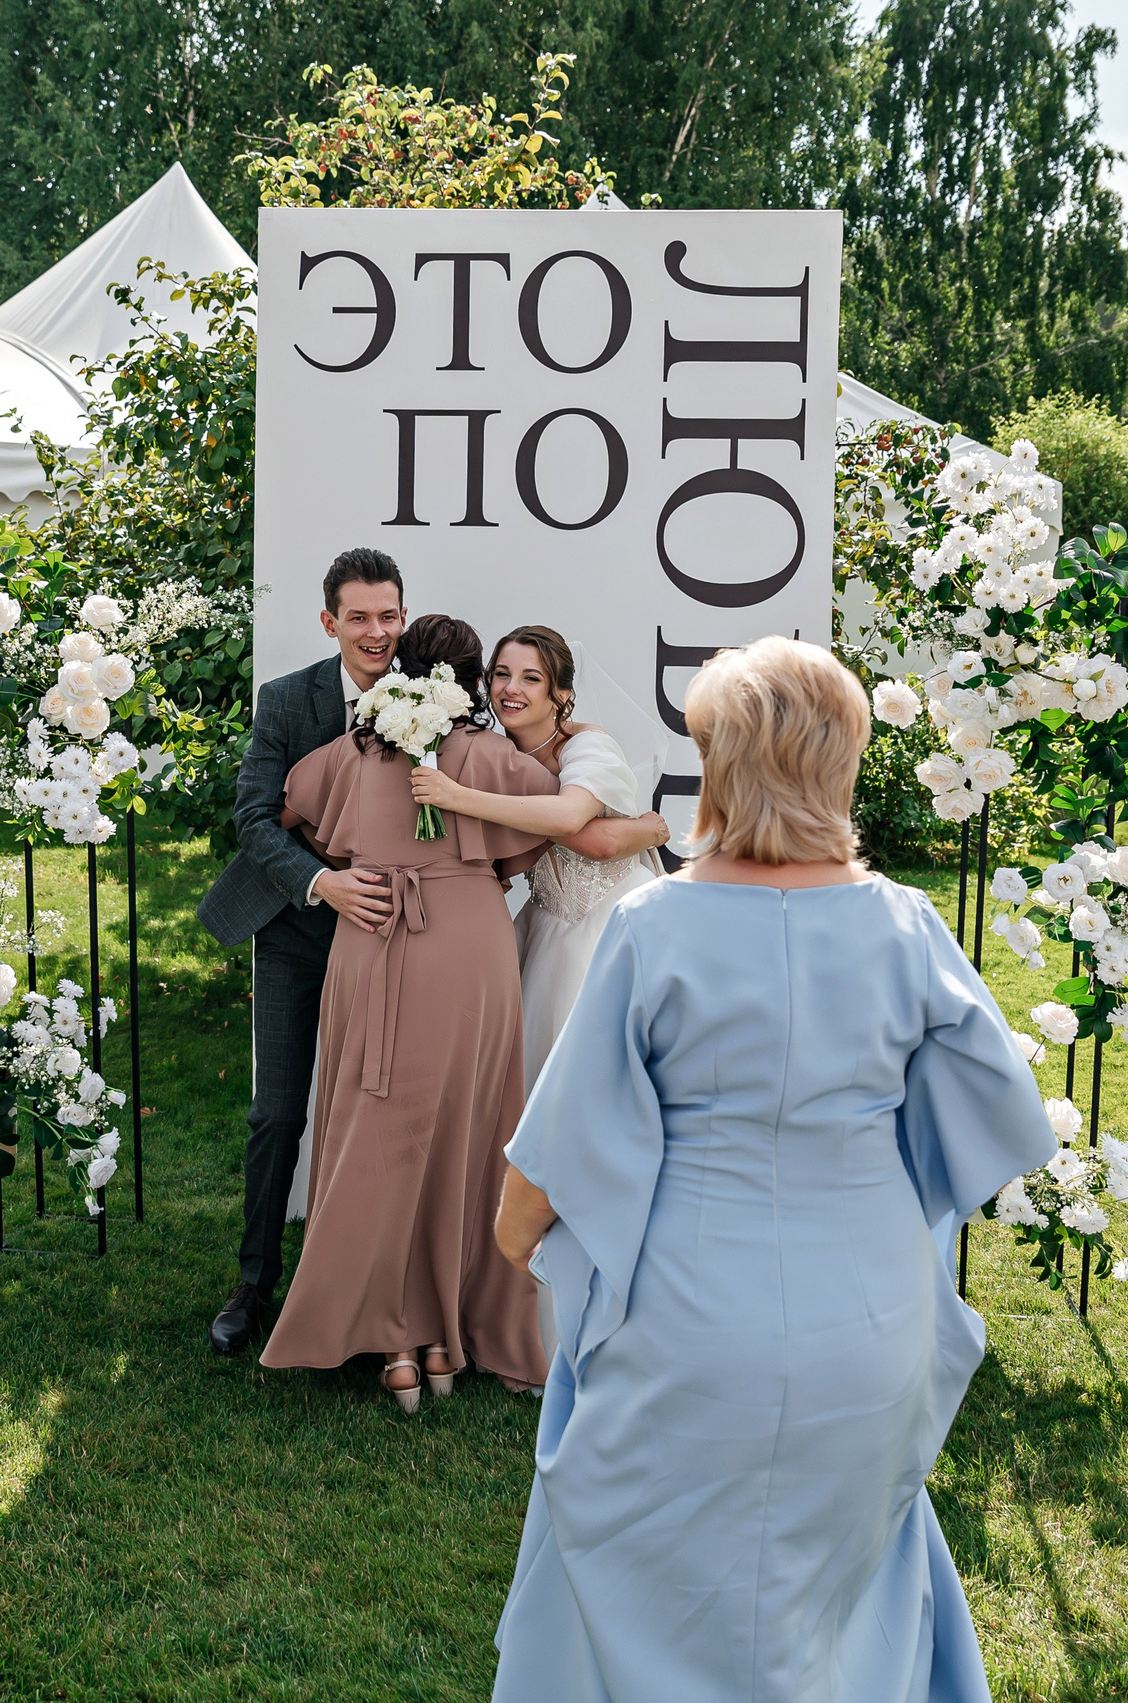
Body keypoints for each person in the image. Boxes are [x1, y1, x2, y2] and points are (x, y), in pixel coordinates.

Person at [487, 635, 1057, 1702]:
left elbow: (554, 1157)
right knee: (832, 1589)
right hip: (871, 1317)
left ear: (723, 765)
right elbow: (999, 1120)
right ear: (835, 760)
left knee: (640, 1581)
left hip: (685, 1312)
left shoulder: (654, 923)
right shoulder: (905, 923)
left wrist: (521, 1247)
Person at [262, 614, 564, 1407]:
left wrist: (350, 867)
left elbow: (291, 807)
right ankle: (445, 1332)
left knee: (379, 1132)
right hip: (469, 949)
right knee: (470, 1134)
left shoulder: (355, 749)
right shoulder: (494, 755)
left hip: (374, 936)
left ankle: (394, 1338)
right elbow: (545, 828)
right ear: (471, 681)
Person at [196, 549, 407, 1358]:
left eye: (388, 614)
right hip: (296, 927)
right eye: (359, 616)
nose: (377, 631)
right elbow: (253, 820)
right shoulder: (286, 701)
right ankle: (254, 1282)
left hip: (391, 939)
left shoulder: (433, 697)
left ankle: (371, 1289)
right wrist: (326, 885)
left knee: (380, 1113)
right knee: (279, 1110)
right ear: (331, 623)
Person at [406, 624, 673, 1095]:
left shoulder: (588, 746)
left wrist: (456, 796)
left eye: (531, 678)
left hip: (607, 922)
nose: (511, 689)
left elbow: (574, 821)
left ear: (561, 694)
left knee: (594, 1076)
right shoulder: (490, 754)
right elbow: (592, 838)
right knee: (534, 1082)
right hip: (545, 925)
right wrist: (644, 829)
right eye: (502, 674)